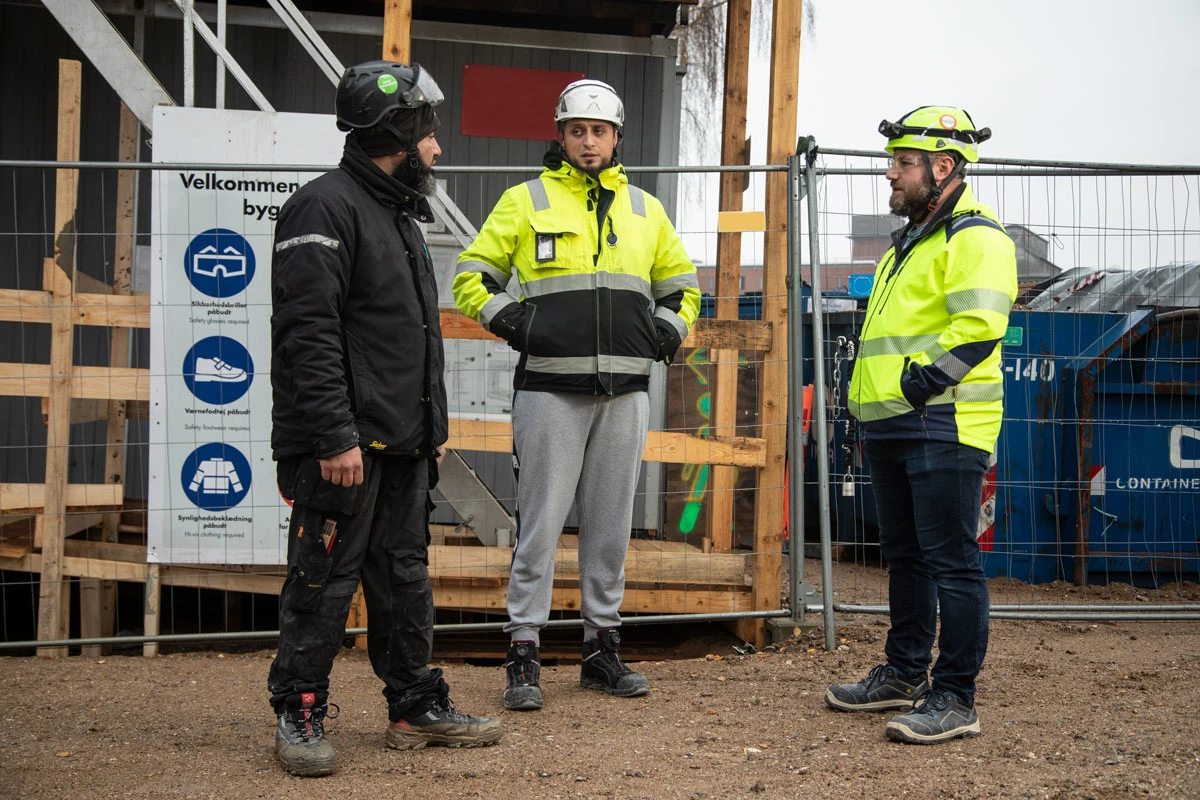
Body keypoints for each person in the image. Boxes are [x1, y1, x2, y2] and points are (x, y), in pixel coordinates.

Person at [267, 60, 501, 777]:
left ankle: (413, 706)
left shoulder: (397, 213)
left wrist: (430, 436)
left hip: (401, 442)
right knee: (323, 580)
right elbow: (308, 333)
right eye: (427, 134)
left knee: (404, 578)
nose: (437, 147)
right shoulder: (323, 208)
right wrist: (334, 435)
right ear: (397, 133)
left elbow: (408, 338)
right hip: (343, 446)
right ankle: (300, 711)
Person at [452, 78, 700, 711]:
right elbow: (471, 278)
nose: (589, 142)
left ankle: (601, 651)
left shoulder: (646, 210)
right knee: (539, 524)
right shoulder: (524, 201)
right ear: (560, 136)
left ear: (617, 138)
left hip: (625, 393)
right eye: (577, 130)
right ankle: (524, 651)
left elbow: (683, 289)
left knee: (611, 526)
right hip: (549, 392)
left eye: (600, 131)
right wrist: (519, 324)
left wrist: (665, 333)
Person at [826, 106, 1017, 744]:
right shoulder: (908, 242)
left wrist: (920, 383)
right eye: (894, 163)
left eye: (903, 164)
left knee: (952, 563)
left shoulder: (975, 237)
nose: (891, 174)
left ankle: (956, 697)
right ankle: (905, 673)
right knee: (906, 558)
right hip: (893, 424)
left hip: (944, 420)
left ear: (943, 168)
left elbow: (981, 327)